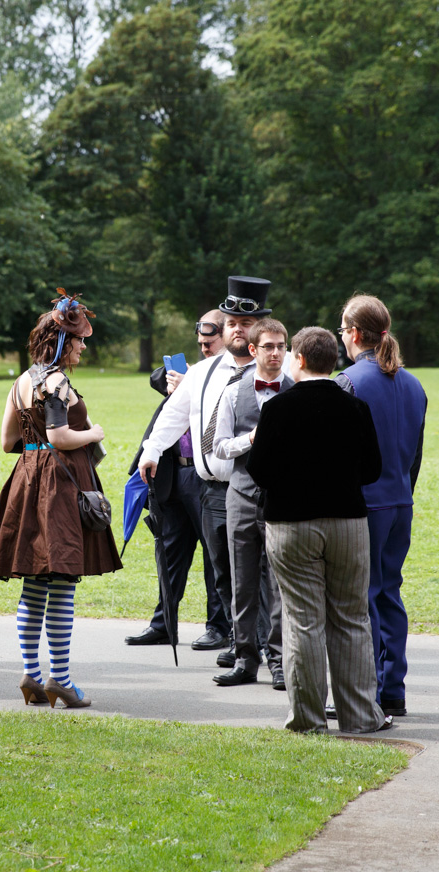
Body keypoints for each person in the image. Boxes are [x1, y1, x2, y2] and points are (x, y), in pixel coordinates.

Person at [0, 290, 122, 709]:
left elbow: (8, 441)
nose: (82, 346)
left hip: (28, 478)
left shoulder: (22, 381)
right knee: (61, 582)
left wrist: (36, 446)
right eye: (78, 340)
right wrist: (93, 435)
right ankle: (60, 679)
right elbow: (61, 437)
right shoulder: (56, 381)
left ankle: (31, 674)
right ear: (61, 342)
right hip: (60, 482)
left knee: (35, 581)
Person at [248, 326, 390, 735]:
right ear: (334, 361)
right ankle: (361, 715)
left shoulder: (277, 409)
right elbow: (372, 469)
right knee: (351, 618)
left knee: (303, 621)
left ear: (300, 359)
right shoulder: (355, 409)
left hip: (291, 525)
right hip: (347, 521)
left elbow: (259, 470)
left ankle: (308, 720)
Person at [138, 278, 273, 666]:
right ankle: (241, 640)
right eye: (232, 321)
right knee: (226, 574)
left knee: (263, 574)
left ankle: (268, 645)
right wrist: (151, 451)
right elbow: (173, 413)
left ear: (261, 327)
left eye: (246, 323)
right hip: (212, 489)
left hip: (261, 490)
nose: (237, 329)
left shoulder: (280, 372)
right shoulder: (203, 372)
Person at [335, 295, 428, 716]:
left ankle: (366, 692)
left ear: (355, 334)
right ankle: (393, 688)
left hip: (365, 504)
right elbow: (415, 457)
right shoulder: (413, 384)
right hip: (400, 501)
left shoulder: (348, 382)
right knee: (389, 594)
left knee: (363, 599)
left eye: (342, 329)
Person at [124, 307, 229, 651]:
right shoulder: (197, 371)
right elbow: (157, 376)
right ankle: (163, 624)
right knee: (170, 553)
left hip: (207, 475)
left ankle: (219, 627)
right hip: (174, 473)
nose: (204, 348)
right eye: (200, 342)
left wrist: (192, 389)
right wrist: (173, 383)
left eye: (209, 342)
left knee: (216, 556)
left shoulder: (232, 371)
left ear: (227, 334)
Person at [211, 317, 290, 689]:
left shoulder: (296, 390)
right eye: (269, 346)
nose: (276, 353)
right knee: (241, 582)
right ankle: (245, 659)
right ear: (254, 350)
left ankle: (279, 661)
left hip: (285, 498)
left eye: (281, 346)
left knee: (279, 586)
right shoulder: (232, 391)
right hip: (241, 495)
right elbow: (219, 446)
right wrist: (253, 439)